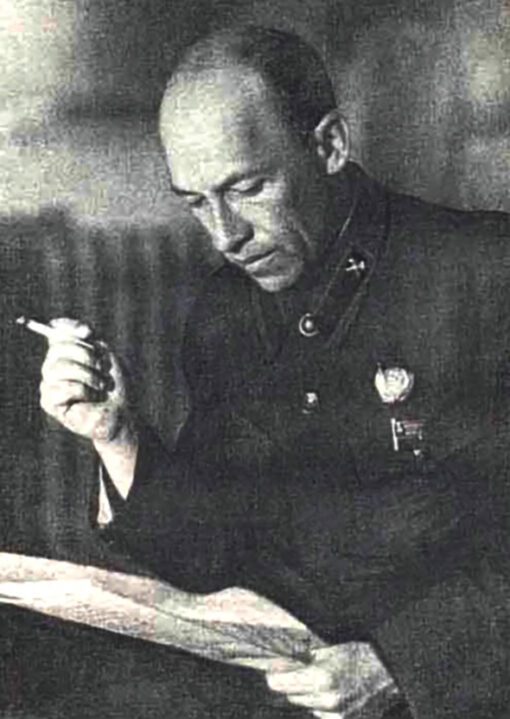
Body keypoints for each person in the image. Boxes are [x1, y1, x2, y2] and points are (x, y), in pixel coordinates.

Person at [38, 26, 510, 719]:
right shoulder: (225, 313)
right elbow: (212, 551)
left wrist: (401, 664)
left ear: (329, 146)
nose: (225, 235)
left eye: (249, 188)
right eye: (195, 202)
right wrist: (117, 435)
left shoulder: (486, 274)